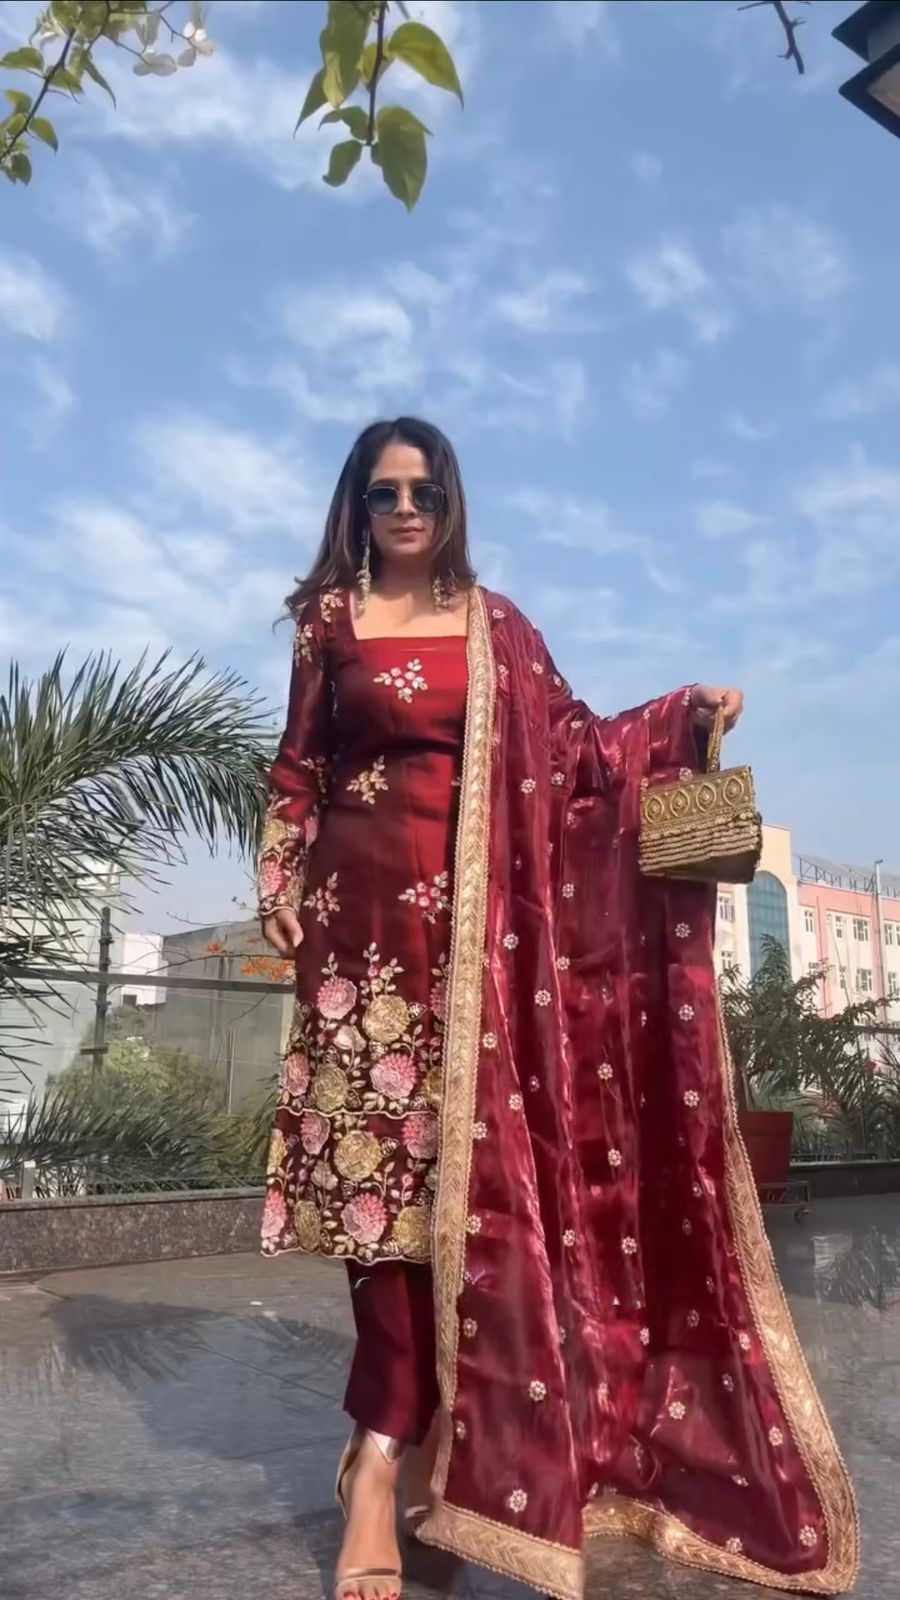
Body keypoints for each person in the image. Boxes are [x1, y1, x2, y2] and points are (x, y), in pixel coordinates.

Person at [258, 418, 857, 1600]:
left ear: (453, 502)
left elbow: (580, 752)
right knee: (382, 1215)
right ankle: (376, 1462)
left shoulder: (500, 630)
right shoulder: (332, 621)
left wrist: (682, 721)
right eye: (385, 494)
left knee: (465, 1207)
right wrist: (279, 882)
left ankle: (428, 1447)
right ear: (356, 508)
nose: (407, 510)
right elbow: (298, 771)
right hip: (358, 957)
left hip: (481, 963)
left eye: (426, 491)